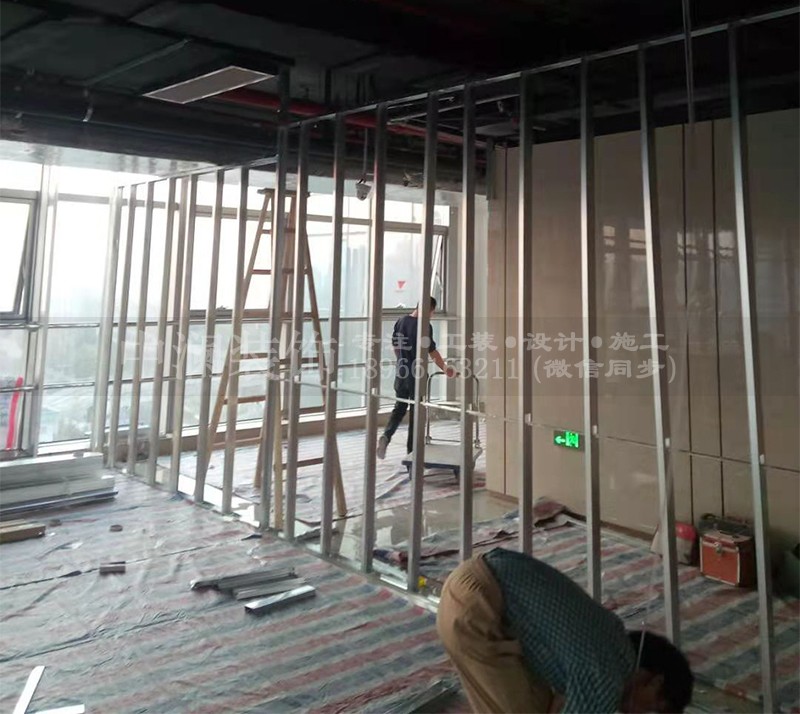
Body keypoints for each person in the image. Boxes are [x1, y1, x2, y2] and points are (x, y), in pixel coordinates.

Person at [437, 548, 694, 714]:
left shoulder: (613, 641)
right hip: (475, 606)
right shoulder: (607, 681)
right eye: (653, 708)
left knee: (536, 700)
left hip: (472, 582)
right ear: (656, 681)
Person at [376, 296, 456, 459]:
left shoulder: (401, 321)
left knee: (399, 408)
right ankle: (411, 454)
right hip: (417, 376)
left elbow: (396, 347)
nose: (431, 316)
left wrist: (402, 362)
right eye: (432, 313)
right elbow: (432, 351)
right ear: (429, 310)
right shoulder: (425, 326)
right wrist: (445, 368)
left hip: (401, 373)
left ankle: (386, 435)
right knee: (416, 413)